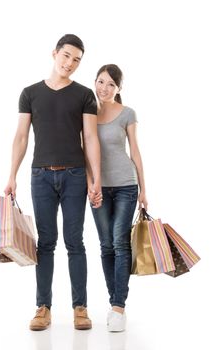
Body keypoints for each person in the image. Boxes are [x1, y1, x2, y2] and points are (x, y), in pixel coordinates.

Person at [4, 34, 101, 331]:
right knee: (45, 244)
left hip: (74, 176)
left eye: (76, 60)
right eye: (66, 55)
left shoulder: (85, 95)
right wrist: (11, 176)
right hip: (40, 177)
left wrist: (95, 179)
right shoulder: (30, 93)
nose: (69, 63)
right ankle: (42, 307)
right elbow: (21, 137)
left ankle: (80, 308)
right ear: (54, 53)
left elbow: (91, 139)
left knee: (75, 243)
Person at [89, 64, 148, 332]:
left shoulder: (127, 113)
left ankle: (117, 308)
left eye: (111, 84)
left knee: (120, 242)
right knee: (105, 246)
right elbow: (84, 152)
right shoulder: (87, 112)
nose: (104, 88)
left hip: (126, 185)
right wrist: (92, 185)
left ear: (119, 88)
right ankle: (116, 303)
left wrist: (144, 190)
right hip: (98, 188)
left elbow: (135, 151)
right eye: (101, 82)